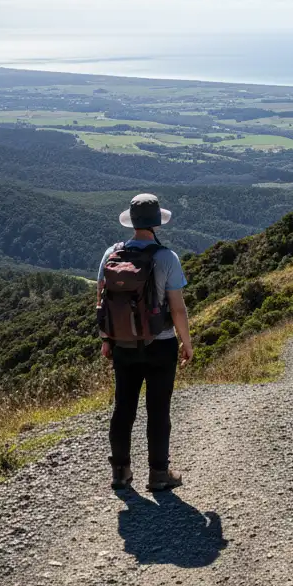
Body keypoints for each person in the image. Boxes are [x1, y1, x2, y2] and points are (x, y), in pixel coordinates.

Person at [97, 193, 193, 492]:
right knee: (158, 409)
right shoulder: (167, 257)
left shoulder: (111, 253)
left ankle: (120, 473)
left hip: (123, 343)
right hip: (160, 344)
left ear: (132, 222)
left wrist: (106, 339)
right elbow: (177, 308)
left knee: (123, 407)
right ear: (156, 224)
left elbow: (101, 300)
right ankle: (159, 475)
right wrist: (186, 343)